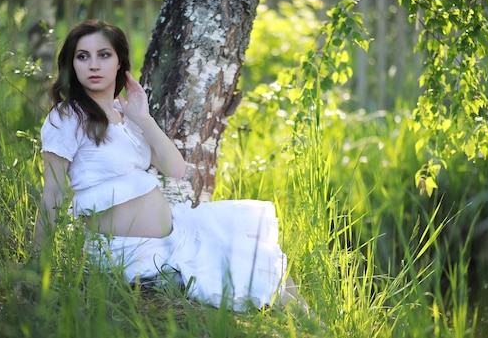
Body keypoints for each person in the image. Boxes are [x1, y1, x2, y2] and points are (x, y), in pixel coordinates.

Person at [33, 19, 307, 312]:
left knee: (248, 244)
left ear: (119, 63)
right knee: (243, 259)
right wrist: (36, 265)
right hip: (129, 252)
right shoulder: (67, 117)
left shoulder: (124, 114)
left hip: (173, 236)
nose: (94, 65)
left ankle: (317, 327)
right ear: (72, 66)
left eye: (104, 55)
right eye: (82, 56)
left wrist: (144, 118)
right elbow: (53, 193)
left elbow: (174, 167)